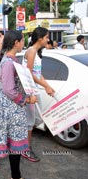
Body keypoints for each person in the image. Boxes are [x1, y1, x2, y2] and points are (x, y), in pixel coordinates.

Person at [0, 30, 36, 179]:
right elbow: (8, 90)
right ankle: (16, 177)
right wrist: (25, 99)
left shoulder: (9, 60)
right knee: (15, 142)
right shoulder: (8, 62)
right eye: (22, 40)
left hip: (9, 107)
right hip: (11, 109)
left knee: (4, 136)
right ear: (16, 43)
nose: (24, 43)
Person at [22, 27, 55, 162]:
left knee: (38, 119)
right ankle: (26, 149)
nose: (48, 40)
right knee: (30, 122)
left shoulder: (36, 52)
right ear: (40, 38)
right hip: (30, 91)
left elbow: (37, 73)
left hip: (35, 90)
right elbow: (29, 74)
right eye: (46, 37)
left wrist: (47, 85)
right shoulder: (31, 52)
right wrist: (45, 86)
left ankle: (22, 141)